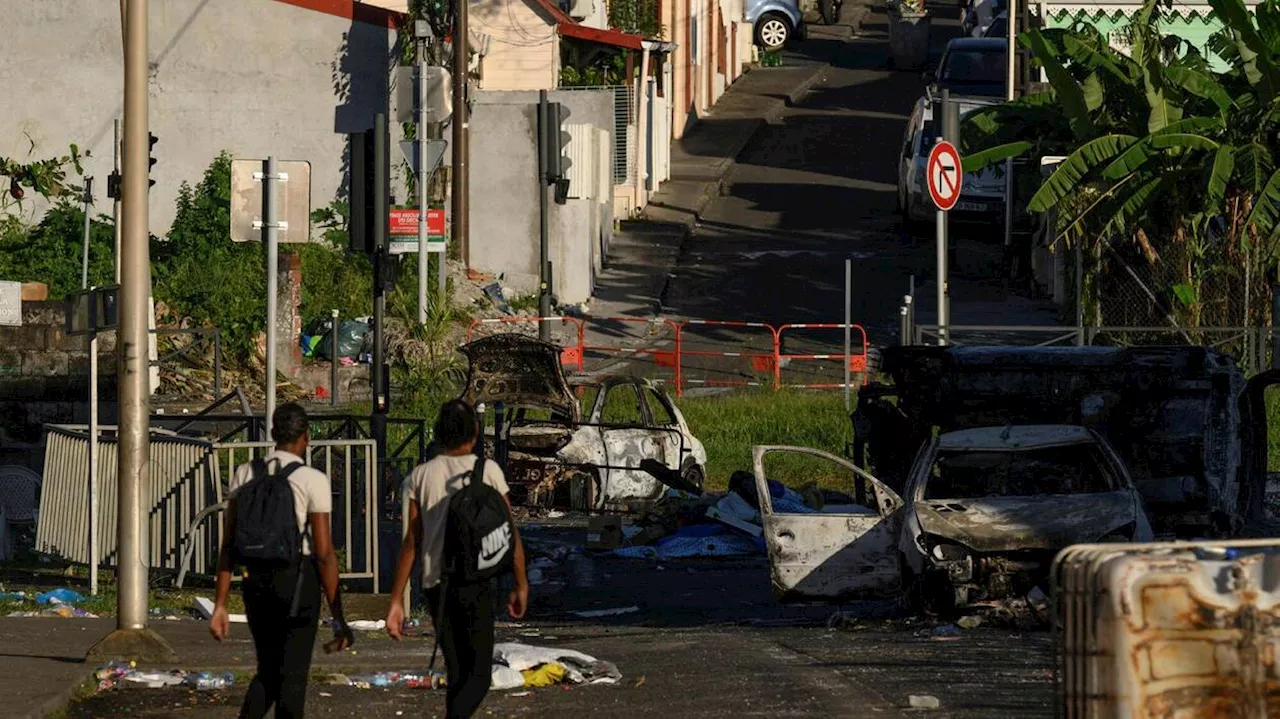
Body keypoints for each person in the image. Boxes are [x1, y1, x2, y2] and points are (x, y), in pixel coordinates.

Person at [209, 402, 354, 719]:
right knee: (293, 675)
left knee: (269, 669)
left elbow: (229, 543)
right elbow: (324, 552)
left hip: (255, 582)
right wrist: (337, 613)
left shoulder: (244, 473)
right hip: (297, 582)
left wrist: (220, 603)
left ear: (273, 433)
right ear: (306, 437)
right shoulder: (312, 479)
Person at [386, 399, 529, 719]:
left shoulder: (420, 476)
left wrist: (396, 599)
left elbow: (411, 541)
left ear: (438, 434)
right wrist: (520, 583)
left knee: (457, 673)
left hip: (437, 586)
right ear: (474, 434)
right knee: (477, 677)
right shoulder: (488, 471)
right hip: (477, 582)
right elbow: (510, 531)